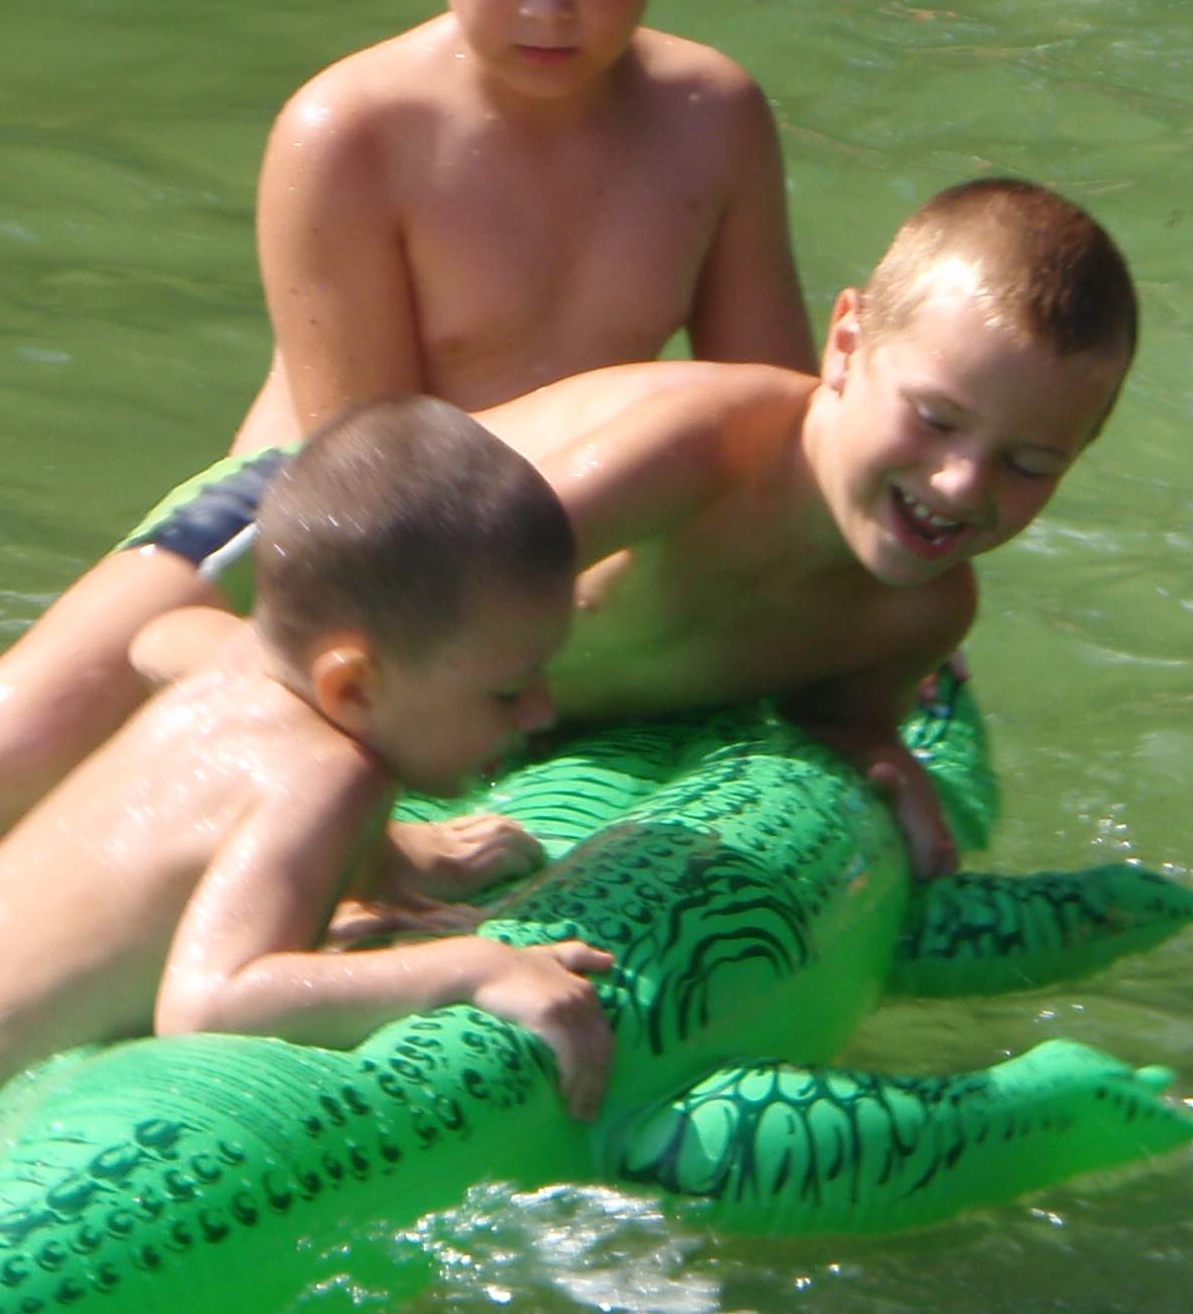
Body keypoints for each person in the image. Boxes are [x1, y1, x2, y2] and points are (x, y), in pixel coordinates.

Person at [0, 0, 810, 841]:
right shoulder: (351, 134)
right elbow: (364, 491)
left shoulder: (712, 123)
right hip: (303, 515)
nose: (547, 7)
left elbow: (780, 426)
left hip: (558, 519)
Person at [0, 400, 617, 1128]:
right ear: (351, 685)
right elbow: (212, 1001)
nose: (541, 710)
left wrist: (385, 862)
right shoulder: (328, 776)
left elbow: (161, 642)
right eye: (508, 690)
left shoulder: (242, 671)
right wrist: (473, 969)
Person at [140, 178, 1140, 882]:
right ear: (845, 342)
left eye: (1029, 464)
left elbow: (841, 718)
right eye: (934, 418)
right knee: (65, 713)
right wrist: (368, 839)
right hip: (295, 531)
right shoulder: (698, 457)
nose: (961, 483)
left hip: (489, 706)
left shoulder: (919, 616)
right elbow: (376, 596)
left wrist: (872, 754)